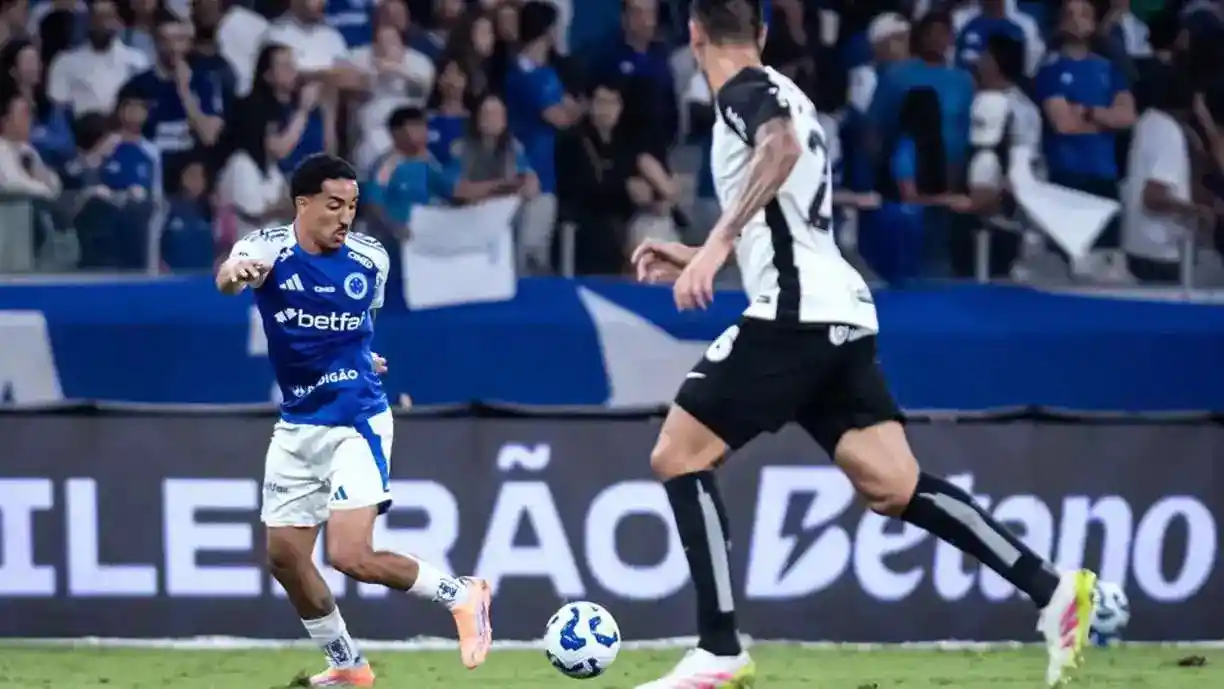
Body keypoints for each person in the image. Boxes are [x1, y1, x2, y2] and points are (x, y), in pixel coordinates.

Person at [629, 2, 1096, 687]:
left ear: (695, 34)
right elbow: (786, 214)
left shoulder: (742, 92)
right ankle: (1052, 589)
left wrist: (717, 245)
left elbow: (780, 149)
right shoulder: (790, 92)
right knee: (893, 484)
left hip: (796, 312)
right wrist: (701, 251)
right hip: (841, 308)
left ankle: (719, 648)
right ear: (762, 32)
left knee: (678, 454)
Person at [212, 154, 492, 687]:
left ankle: (462, 595)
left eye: (353, 206)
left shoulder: (370, 258)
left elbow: (358, 326)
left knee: (349, 554)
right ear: (303, 204)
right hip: (298, 425)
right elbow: (228, 277)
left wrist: (363, 359)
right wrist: (235, 274)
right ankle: (347, 664)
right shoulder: (266, 249)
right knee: (285, 559)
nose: (345, 217)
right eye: (334, 205)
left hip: (357, 420)